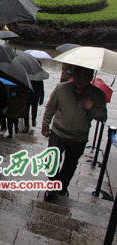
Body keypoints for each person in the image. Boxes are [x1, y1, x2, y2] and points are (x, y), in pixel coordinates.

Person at [42, 66, 107, 201]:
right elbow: (50, 108)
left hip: (79, 137)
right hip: (58, 132)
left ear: (90, 78)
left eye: (84, 77)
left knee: (70, 164)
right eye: (78, 76)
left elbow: (103, 116)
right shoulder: (61, 88)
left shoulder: (97, 95)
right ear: (73, 75)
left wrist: (92, 109)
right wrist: (45, 126)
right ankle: (52, 184)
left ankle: (62, 185)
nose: (80, 80)